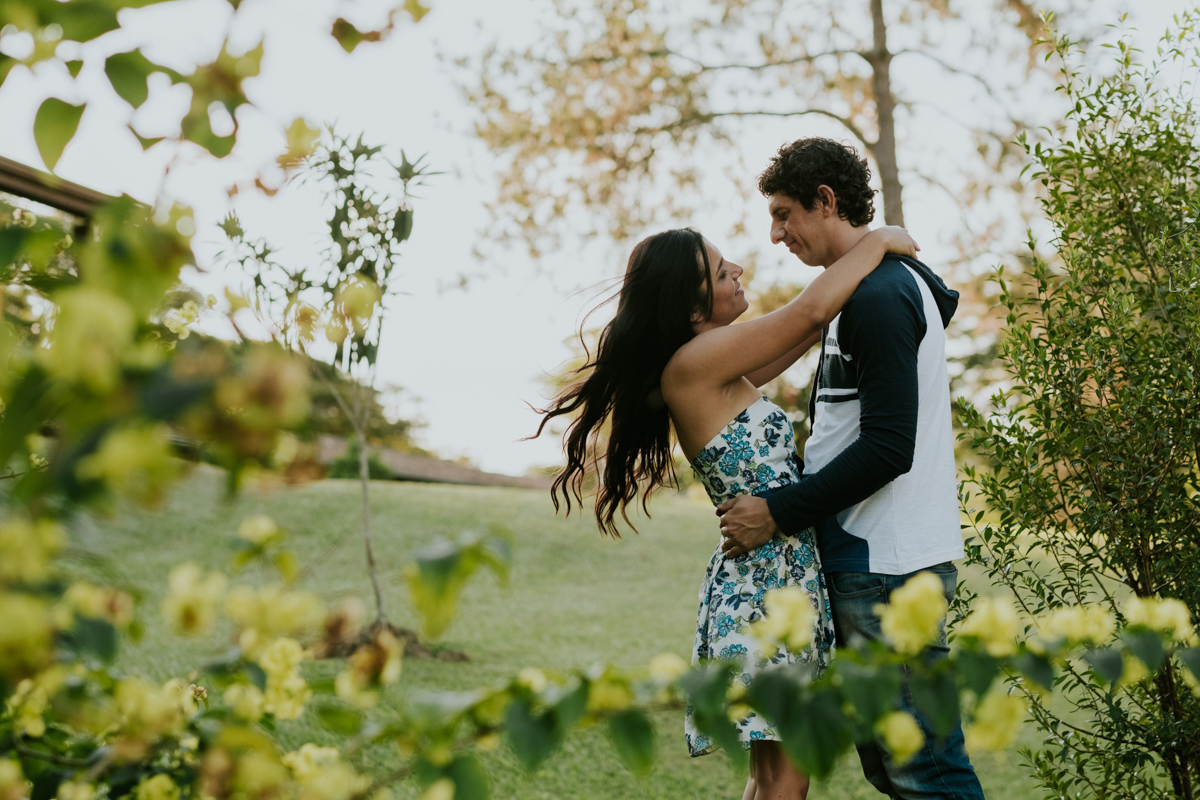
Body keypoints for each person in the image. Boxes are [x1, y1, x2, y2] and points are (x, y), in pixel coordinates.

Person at [535, 220, 920, 800]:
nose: (738, 269)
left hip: (769, 576)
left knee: (771, 777)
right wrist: (879, 241)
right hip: (764, 585)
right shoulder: (697, 363)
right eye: (720, 271)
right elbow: (810, 313)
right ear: (692, 308)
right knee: (785, 777)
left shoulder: (712, 365)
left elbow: (808, 332)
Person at [717, 137, 986, 800]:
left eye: (785, 215)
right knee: (896, 767)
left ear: (825, 201)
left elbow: (891, 447)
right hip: (869, 562)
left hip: (885, 566)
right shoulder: (858, 292)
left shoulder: (877, 297)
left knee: (925, 770)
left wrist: (777, 511)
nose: (776, 234)